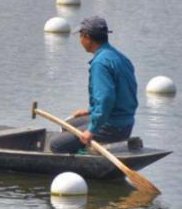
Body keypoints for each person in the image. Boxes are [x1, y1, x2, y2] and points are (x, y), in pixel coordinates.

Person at [48, 16, 138, 154]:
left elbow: (106, 98)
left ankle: (89, 151)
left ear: (87, 37)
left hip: (112, 127)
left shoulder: (100, 63)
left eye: (80, 36)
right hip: (126, 123)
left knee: (55, 145)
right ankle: (87, 144)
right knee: (67, 125)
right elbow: (123, 94)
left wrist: (91, 130)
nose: (80, 41)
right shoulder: (119, 57)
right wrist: (91, 110)